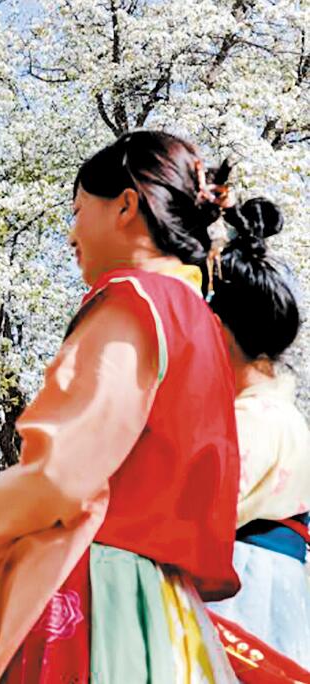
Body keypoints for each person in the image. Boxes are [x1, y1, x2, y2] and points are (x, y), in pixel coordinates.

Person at [0, 130, 243, 682]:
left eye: (77, 211)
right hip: (163, 608)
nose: (71, 234)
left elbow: (58, 477)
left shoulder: (132, 303)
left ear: (126, 206)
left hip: (96, 594)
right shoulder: (198, 320)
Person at [203, 196, 310, 667]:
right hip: (273, 586)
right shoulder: (276, 414)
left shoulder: (255, 419)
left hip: (245, 591)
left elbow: (200, 511)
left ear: (219, 331)